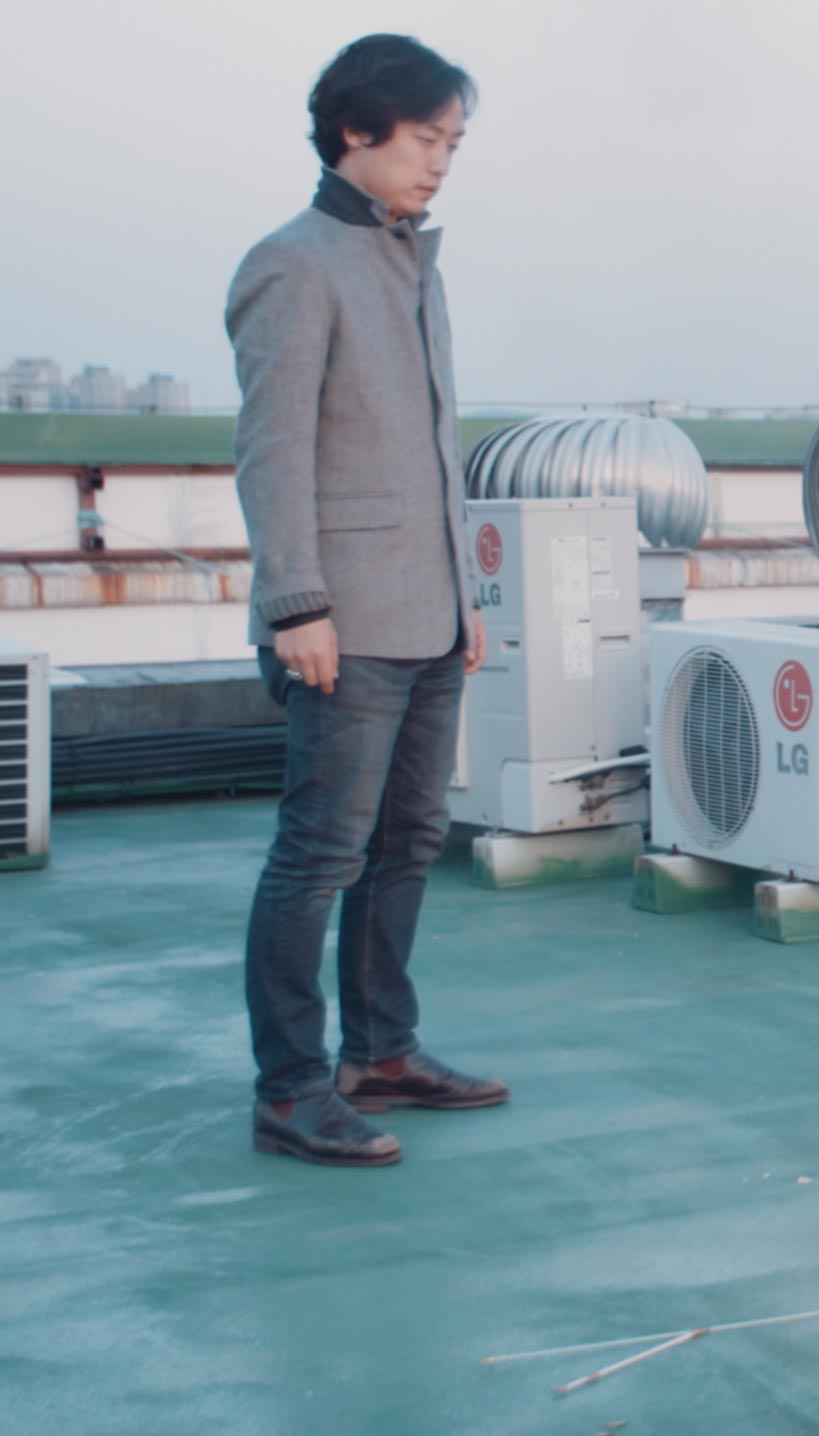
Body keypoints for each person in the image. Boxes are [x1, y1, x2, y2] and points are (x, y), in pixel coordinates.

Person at [229, 35, 505, 1167]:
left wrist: (466, 596)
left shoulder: (412, 261)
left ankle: (380, 1051)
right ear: (358, 129)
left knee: (409, 842)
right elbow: (272, 449)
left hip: (426, 613)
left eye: (453, 143)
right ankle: (293, 1087)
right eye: (427, 137)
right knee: (319, 854)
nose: (442, 162)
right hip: (337, 617)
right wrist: (296, 602)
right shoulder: (294, 263)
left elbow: (429, 455)